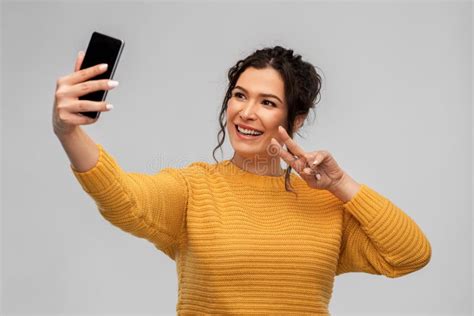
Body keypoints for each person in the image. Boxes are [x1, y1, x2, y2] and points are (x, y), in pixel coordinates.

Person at [53, 46, 432, 315]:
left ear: (296, 120)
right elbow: (123, 198)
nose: (246, 113)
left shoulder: (325, 205)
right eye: (239, 96)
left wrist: (341, 185)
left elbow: (411, 254)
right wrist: (69, 133)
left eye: (267, 102)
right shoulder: (194, 189)